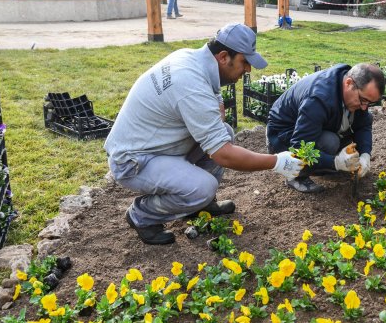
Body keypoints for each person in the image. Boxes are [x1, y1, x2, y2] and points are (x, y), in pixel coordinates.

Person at [105, 23, 303, 245]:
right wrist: (277, 162)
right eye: (244, 62)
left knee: (224, 133)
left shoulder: (192, 59)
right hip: (134, 161)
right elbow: (223, 155)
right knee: (203, 186)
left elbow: (216, 112)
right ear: (223, 57)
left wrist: (215, 108)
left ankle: (199, 206)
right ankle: (141, 215)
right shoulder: (190, 84)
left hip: (157, 145)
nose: (248, 70)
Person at [266, 63, 385, 193]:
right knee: (330, 142)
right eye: (363, 100)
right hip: (281, 136)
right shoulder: (318, 99)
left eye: (369, 103)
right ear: (349, 83)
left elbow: (363, 124)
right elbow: (300, 147)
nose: (364, 107)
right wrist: (336, 162)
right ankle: (296, 176)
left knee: (347, 142)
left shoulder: (349, 87)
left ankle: (328, 166)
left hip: (310, 127)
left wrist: (365, 154)